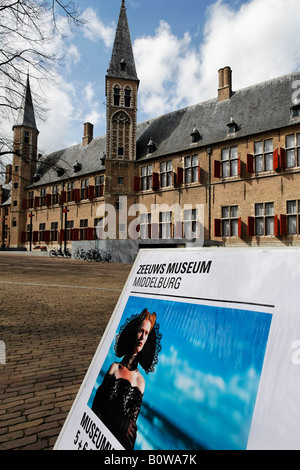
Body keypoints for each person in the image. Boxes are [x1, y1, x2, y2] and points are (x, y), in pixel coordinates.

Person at [91, 308, 162, 450]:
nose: (142, 337)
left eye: (146, 333)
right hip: (97, 437)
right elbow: (96, 406)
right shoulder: (114, 368)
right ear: (134, 332)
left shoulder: (140, 382)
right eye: (141, 331)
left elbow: (131, 426)